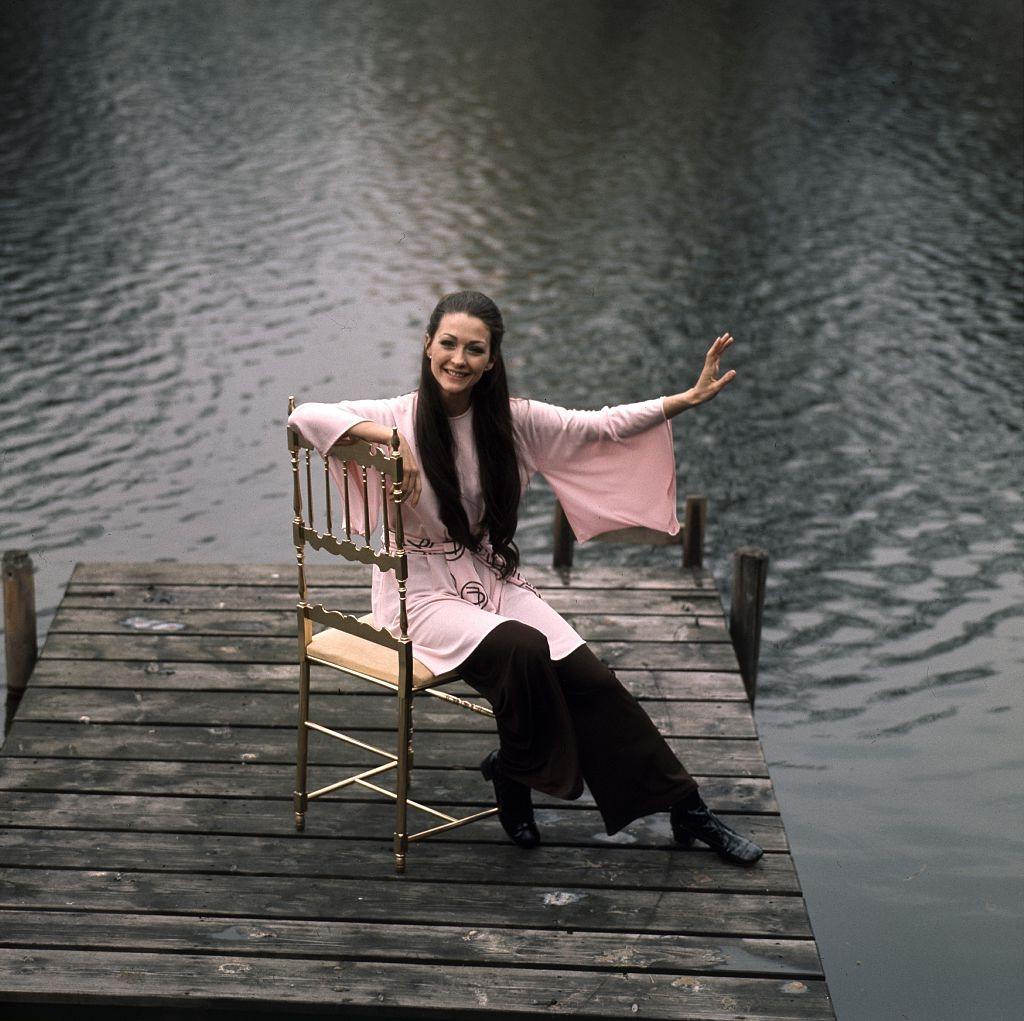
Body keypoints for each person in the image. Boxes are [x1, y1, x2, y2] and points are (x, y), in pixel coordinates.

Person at [288, 290, 762, 866]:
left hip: (488, 578)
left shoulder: (512, 422)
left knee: (590, 677)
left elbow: (600, 427)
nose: (458, 359)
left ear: (492, 360)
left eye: (475, 349)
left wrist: (682, 400)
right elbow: (304, 415)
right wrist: (387, 443)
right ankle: (520, 773)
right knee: (522, 647)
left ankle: (685, 808)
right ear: (428, 345)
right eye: (449, 344)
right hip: (418, 594)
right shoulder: (395, 416)